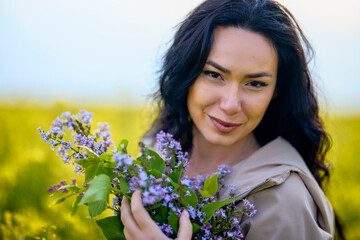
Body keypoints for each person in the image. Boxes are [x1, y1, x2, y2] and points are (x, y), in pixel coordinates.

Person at [120, 0, 345, 239]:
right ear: (187, 73)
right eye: (214, 74)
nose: (230, 105)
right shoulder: (157, 152)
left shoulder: (283, 201)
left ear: (277, 91)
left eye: (256, 83)